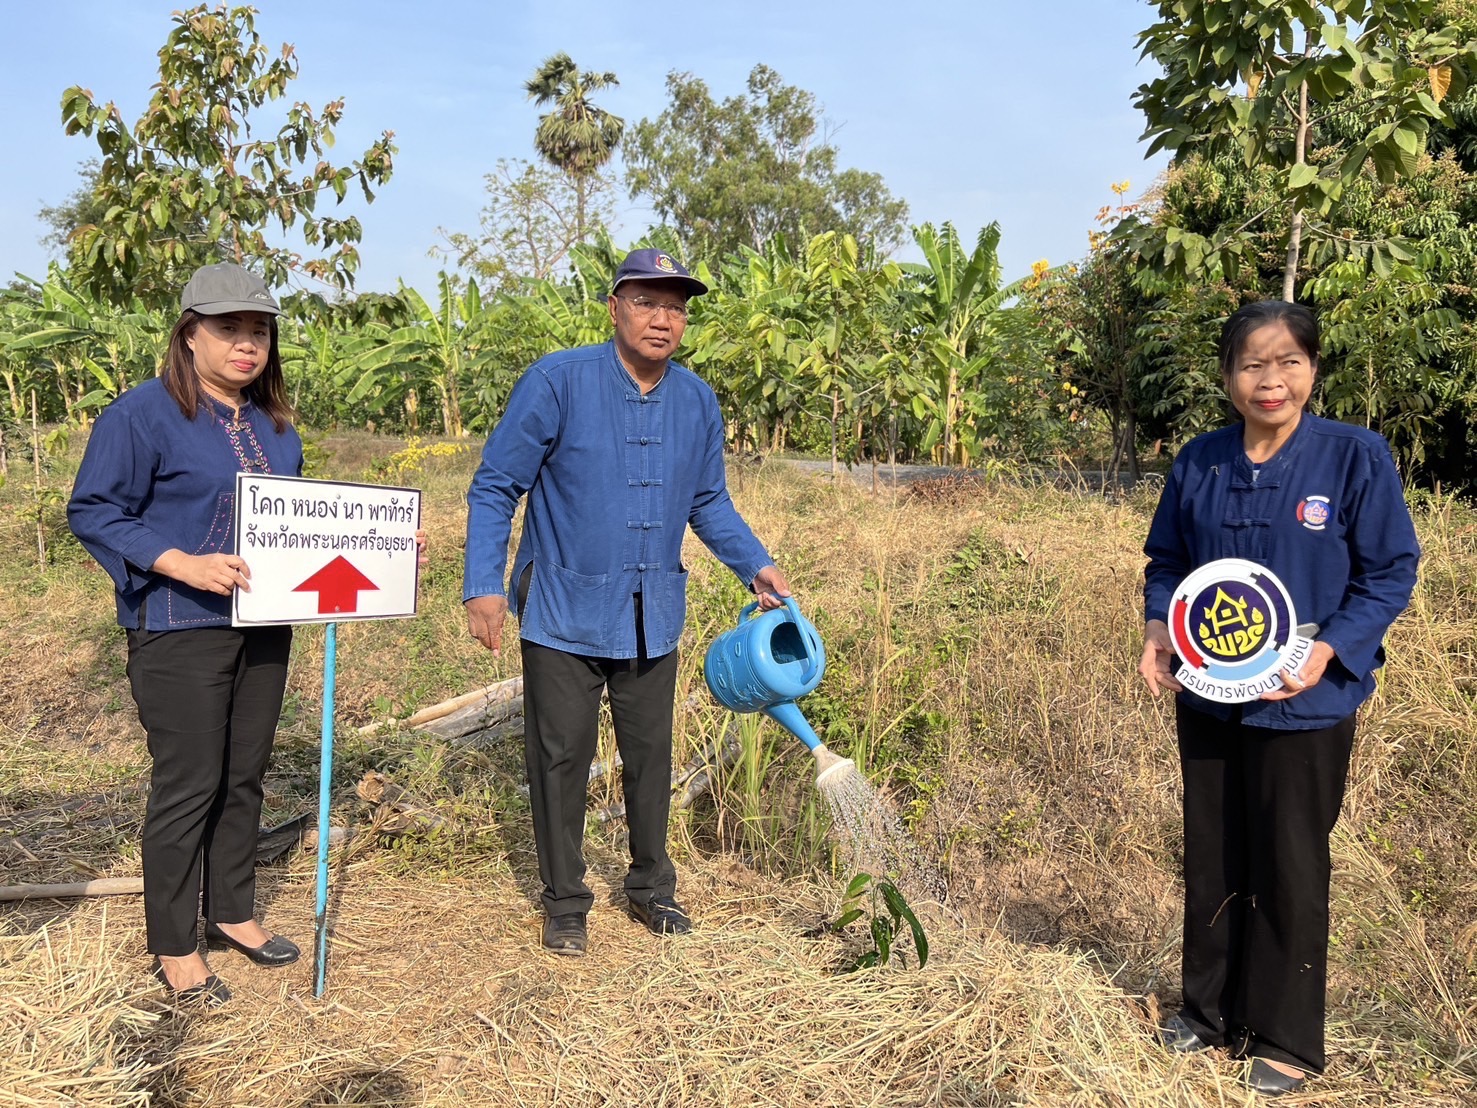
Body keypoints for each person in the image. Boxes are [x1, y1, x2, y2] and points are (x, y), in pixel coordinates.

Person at [464, 248, 791, 956]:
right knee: (559, 759)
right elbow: (496, 485)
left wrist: (755, 564)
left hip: (652, 612)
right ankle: (565, 901)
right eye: (645, 302)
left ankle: (650, 889)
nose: (661, 319)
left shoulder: (696, 400)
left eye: (674, 307)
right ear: (613, 307)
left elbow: (707, 501)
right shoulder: (558, 381)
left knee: (650, 757)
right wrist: (483, 586)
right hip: (562, 610)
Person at [1138, 301, 1420, 1096]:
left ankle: (1287, 1038)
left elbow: (1389, 570)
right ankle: (1205, 1013)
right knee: (1213, 854)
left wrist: (1327, 647)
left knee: (1291, 865)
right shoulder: (1198, 460)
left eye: (1288, 361)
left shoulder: (1352, 457)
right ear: (1226, 377)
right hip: (1207, 696)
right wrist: (1158, 625)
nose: (1271, 380)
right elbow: (1165, 559)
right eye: (1252, 364)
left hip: (1305, 702)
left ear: (1312, 369)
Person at [69, 263, 307, 1006]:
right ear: (190, 334)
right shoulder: (140, 416)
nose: (246, 345)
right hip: (179, 625)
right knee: (190, 782)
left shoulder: (272, 426)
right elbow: (95, 510)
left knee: (244, 774)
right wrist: (182, 564)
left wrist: (386, 551)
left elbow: (301, 522)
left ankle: (231, 908)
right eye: (229, 329)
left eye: (259, 332)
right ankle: (175, 943)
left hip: (263, 623)